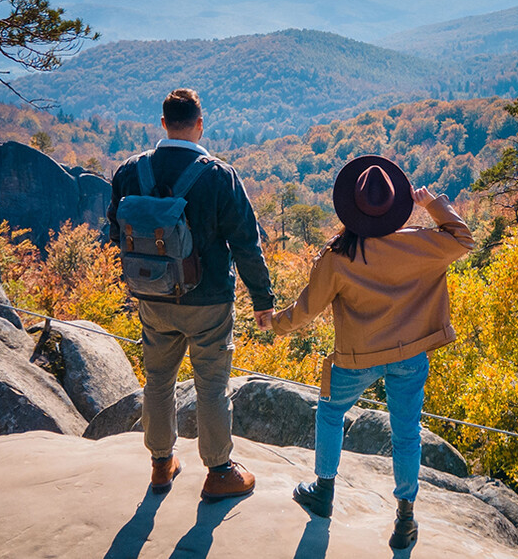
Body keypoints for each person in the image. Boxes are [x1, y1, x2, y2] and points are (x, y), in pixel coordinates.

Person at [258, 154, 475, 549]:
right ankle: (405, 518)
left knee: (330, 411)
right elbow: (464, 238)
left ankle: (323, 491)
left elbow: (307, 309)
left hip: (357, 359)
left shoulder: (339, 255)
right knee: (406, 433)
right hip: (409, 356)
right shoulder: (422, 245)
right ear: (395, 205)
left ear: (351, 207)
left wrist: (275, 323)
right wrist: (432, 204)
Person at [108, 88, 274, 500]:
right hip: (209, 301)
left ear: (163, 123)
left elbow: (116, 233)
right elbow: (246, 245)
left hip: (152, 298)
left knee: (159, 380)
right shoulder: (219, 175)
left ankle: (161, 465)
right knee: (212, 385)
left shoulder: (130, 171)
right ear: (200, 124)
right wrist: (263, 301)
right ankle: (219, 472)